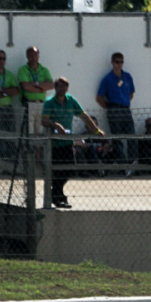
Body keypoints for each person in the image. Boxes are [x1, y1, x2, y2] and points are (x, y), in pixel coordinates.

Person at [42, 77, 103, 209]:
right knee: (58, 171)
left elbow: (84, 116)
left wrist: (96, 131)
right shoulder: (49, 103)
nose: (61, 89)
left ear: (67, 88)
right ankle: (59, 197)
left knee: (69, 169)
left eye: (64, 86)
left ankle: (55, 194)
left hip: (67, 142)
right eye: (59, 86)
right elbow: (44, 120)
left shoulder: (71, 101)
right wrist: (55, 125)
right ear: (55, 87)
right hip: (54, 143)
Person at [96, 53, 136, 168]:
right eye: (117, 61)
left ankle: (133, 162)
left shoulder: (127, 77)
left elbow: (131, 93)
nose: (119, 64)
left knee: (132, 136)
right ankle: (123, 165)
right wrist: (109, 108)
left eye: (121, 62)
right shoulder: (107, 79)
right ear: (112, 62)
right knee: (117, 139)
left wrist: (124, 102)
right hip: (114, 109)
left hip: (126, 109)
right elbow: (99, 97)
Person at [18, 47, 55, 150]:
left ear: (38, 55)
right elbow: (25, 87)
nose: (32, 57)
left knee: (39, 133)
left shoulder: (44, 70)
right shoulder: (23, 70)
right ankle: (29, 160)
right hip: (28, 104)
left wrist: (35, 84)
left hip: (42, 105)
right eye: (30, 55)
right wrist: (41, 88)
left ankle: (38, 160)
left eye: (34, 55)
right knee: (29, 133)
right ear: (27, 56)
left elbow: (51, 85)